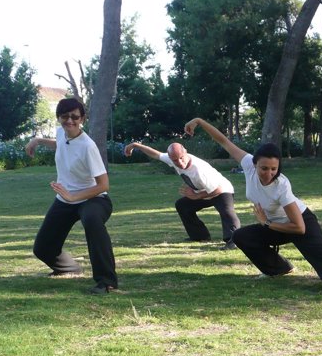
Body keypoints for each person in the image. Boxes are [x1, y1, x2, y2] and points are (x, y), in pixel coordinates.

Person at [184, 117, 322, 297]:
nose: (269, 173)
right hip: (275, 224)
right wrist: (199, 121)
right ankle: (278, 269)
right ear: (255, 164)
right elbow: (223, 141)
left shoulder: (282, 186)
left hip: (300, 222)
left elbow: (299, 228)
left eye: (273, 169)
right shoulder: (248, 165)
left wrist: (266, 223)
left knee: (319, 253)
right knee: (241, 236)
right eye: (264, 168)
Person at [25, 97, 118, 295]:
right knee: (42, 249)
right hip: (65, 199)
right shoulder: (61, 133)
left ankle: (106, 281)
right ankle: (68, 268)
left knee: (92, 220)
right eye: (65, 116)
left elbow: (103, 185)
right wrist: (38, 140)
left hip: (94, 198)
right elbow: (60, 143)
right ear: (59, 118)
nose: (70, 121)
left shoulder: (88, 146)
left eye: (75, 117)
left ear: (82, 118)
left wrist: (74, 198)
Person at [124, 141, 240, 250]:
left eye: (181, 158)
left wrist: (196, 196)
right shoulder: (172, 158)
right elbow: (156, 154)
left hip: (222, 190)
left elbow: (217, 189)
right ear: (170, 158)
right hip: (205, 191)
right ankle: (199, 236)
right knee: (182, 205)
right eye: (175, 160)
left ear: (185, 152)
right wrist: (136, 145)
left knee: (226, 211)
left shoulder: (199, 170)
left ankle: (234, 241)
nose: (179, 162)